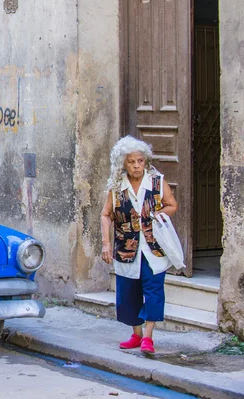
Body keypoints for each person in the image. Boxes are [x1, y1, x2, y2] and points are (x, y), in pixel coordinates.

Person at [100, 136, 178, 354]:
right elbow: (106, 215)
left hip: (154, 248)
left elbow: (172, 205)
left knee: (153, 291)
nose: (136, 166)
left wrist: (157, 215)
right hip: (126, 249)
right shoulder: (116, 187)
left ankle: (148, 337)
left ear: (146, 162)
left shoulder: (156, 182)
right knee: (128, 293)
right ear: (123, 163)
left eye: (140, 161)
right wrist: (106, 243)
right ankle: (137, 334)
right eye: (131, 162)